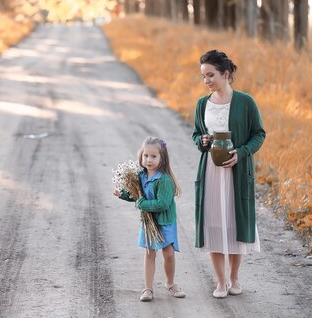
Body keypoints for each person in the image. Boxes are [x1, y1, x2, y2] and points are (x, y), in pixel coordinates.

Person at [192, 49, 266, 298]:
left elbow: (259, 134)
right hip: (211, 172)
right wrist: (201, 141)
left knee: (235, 223)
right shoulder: (202, 104)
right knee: (214, 224)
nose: (206, 81)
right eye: (203, 76)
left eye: (210, 75)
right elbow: (195, 135)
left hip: (236, 171)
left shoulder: (245, 102)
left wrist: (242, 152)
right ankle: (220, 282)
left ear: (226, 74)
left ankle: (234, 279)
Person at [114, 136, 185, 302]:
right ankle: (148, 288)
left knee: (168, 254)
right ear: (141, 156)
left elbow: (162, 204)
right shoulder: (141, 176)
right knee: (149, 253)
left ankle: (170, 283)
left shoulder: (164, 180)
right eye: (146, 156)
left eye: (154, 156)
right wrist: (124, 195)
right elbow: (137, 196)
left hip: (164, 221)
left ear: (162, 158)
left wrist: (142, 203)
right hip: (149, 222)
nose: (149, 160)